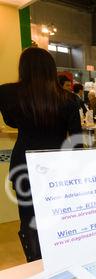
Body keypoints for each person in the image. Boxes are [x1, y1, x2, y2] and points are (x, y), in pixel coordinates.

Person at [0, 47, 82, 262]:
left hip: (23, 165)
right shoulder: (70, 99)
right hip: (58, 167)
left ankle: (35, 261)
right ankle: (61, 259)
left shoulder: (7, 93)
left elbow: (10, 121)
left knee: (28, 217)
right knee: (60, 217)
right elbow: (76, 142)